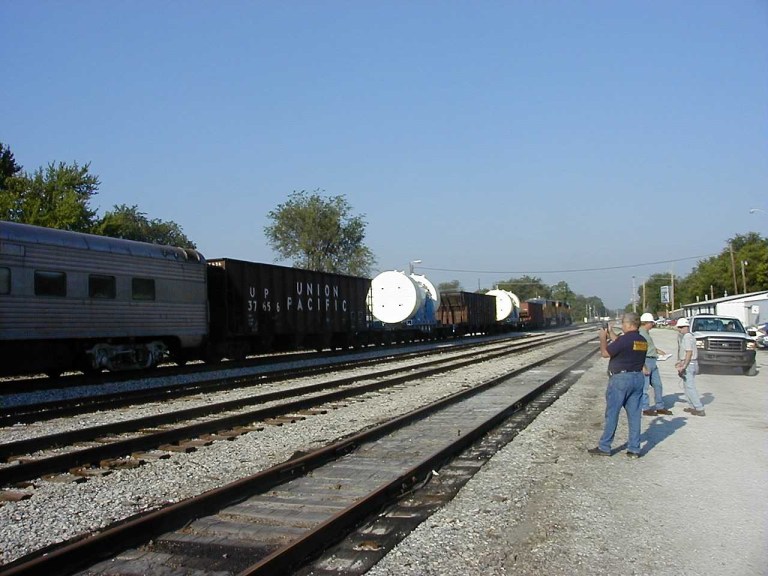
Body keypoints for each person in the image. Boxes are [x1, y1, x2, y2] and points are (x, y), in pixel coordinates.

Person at [588, 312, 647, 457]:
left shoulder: (624, 340)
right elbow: (624, 345)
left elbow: (605, 353)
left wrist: (603, 338)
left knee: (612, 413)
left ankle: (604, 446)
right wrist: (611, 333)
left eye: (623, 323)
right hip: (637, 378)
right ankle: (634, 449)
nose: (622, 325)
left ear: (628, 324)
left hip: (621, 379)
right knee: (634, 415)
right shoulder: (642, 340)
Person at [639, 312, 672, 416]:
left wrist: (658, 351)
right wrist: (643, 365)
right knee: (645, 387)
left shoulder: (646, 333)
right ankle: (645, 408)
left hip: (652, 360)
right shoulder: (641, 334)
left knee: (658, 385)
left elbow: (648, 347)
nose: (652, 324)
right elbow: (640, 351)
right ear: (646, 322)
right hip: (646, 361)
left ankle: (660, 406)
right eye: (651, 323)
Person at [675, 317, 705, 416]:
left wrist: (684, 365)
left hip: (689, 364)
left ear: (685, 327)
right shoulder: (691, 336)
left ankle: (699, 408)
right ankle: (692, 406)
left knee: (690, 386)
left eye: (680, 327)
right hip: (692, 363)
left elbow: (689, 352)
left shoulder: (687, 337)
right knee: (686, 386)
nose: (679, 329)